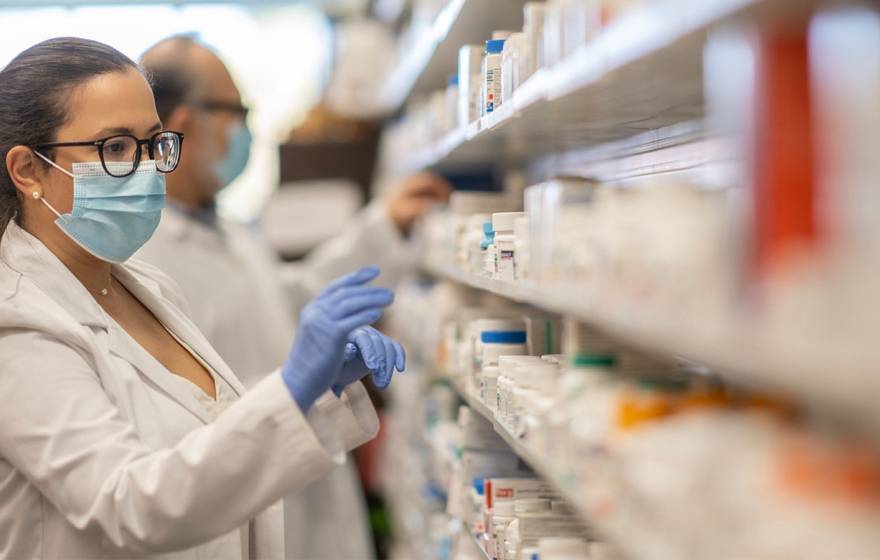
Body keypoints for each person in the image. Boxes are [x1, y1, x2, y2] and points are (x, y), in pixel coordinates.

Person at [0, 37, 406, 560]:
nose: (147, 167)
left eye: (153, 143)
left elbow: (208, 439)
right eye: (116, 147)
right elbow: (130, 503)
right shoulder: (18, 326)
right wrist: (290, 387)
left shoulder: (145, 286)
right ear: (28, 170)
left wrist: (317, 389)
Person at [136, 37, 451, 559]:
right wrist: (298, 387)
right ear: (187, 122)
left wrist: (385, 228)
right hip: (247, 509)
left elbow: (295, 301)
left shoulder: (230, 230)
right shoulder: (147, 257)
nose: (248, 131)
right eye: (238, 113)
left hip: (308, 484)